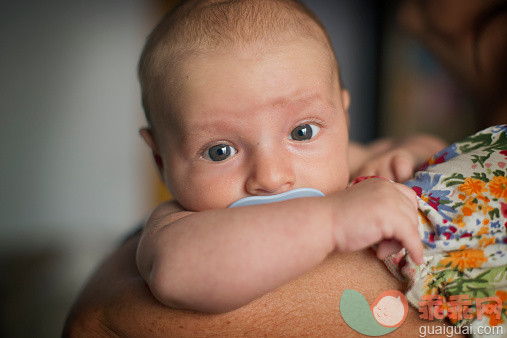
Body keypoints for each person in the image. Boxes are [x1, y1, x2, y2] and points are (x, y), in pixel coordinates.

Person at [64, 0, 503, 335]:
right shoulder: (180, 226)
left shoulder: (342, 164)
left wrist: (404, 155)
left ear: (343, 119)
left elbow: (434, 156)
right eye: (220, 151)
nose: (272, 176)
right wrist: (331, 222)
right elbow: (175, 276)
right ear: (161, 159)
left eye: (303, 133)